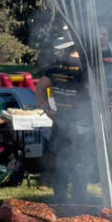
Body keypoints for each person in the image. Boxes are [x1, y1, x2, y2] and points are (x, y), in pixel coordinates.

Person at [34, 43, 92, 204]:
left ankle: (60, 199)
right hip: (79, 122)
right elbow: (90, 91)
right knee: (80, 162)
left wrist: (46, 108)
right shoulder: (86, 66)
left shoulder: (56, 64)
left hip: (60, 120)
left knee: (61, 162)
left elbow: (40, 87)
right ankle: (79, 199)